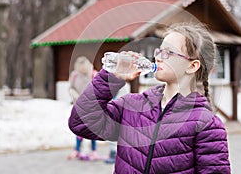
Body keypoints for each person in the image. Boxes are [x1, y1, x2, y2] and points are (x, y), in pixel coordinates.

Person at [68, 22, 231, 173]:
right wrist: (110, 79)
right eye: (160, 50)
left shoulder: (207, 125)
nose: (159, 57)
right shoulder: (132, 106)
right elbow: (80, 123)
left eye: (169, 52)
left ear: (192, 66)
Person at [67, 56, 99, 160]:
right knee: (79, 128)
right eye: (81, 68)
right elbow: (71, 88)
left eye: (84, 67)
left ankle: (94, 151)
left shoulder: (94, 74)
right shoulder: (74, 75)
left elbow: (99, 89)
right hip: (79, 105)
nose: (83, 69)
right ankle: (77, 149)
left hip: (92, 106)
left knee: (92, 129)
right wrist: (76, 96)